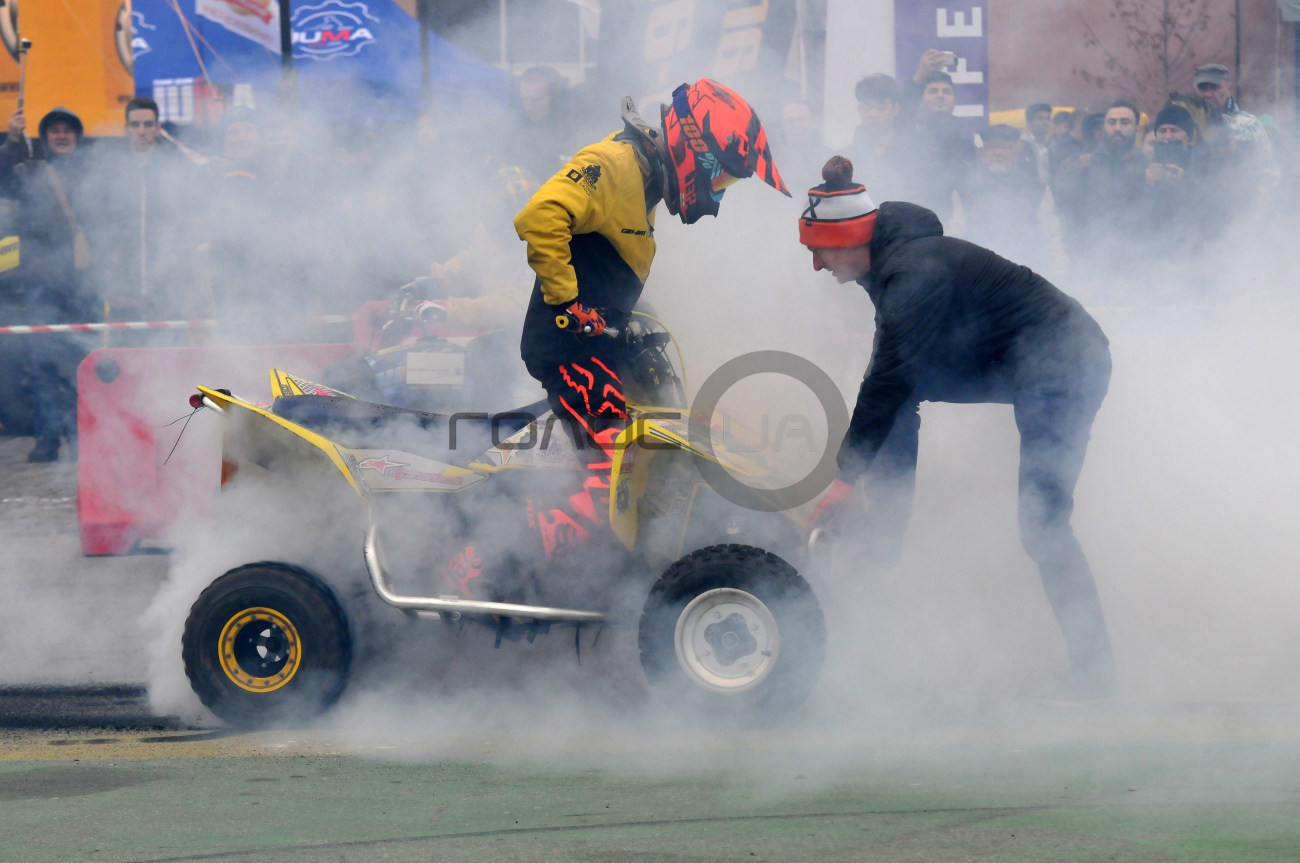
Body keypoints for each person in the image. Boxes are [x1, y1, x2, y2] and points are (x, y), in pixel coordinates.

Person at [801, 155, 1116, 699]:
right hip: (1013, 362)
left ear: (850, 239)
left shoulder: (914, 274)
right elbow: (894, 381)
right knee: (898, 398)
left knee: (1042, 525)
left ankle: (1096, 670)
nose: (817, 267)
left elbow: (889, 374)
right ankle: (884, 541)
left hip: (1066, 363)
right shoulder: (884, 256)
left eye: (818, 252)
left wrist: (846, 478)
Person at [513, 77, 789, 558]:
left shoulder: (641, 174)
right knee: (618, 468)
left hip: (598, 348)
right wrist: (568, 302)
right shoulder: (612, 162)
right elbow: (539, 215)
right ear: (692, 146)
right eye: (720, 178)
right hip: (568, 348)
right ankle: (527, 565)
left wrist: (634, 312)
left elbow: (602, 252)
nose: (717, 194)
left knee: (658, 443)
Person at [12, 108, 99, 461]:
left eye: (67, 130)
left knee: (83, 361)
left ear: (77, 136)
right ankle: (48, 438)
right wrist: (13, 140)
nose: (61, 136)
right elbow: (4, 176)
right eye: (54, 131)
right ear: (45, 137)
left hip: (84, 283)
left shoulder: (95, 174)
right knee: (42, 363)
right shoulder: (30, 170)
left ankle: (82, 439)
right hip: (41, 282)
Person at [90, 97, 201, 340]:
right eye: (135, 125)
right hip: (123, 289)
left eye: (148, 124)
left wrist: (180, 259)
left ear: (158, 127)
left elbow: (190, 220)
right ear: (126, 129)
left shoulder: (177, 167)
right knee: (127, 361)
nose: (142, 131)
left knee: (169, 357)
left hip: (166, 287)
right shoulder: (110, 170)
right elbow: (98, 225)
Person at [845, 74, 911, 204]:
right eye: (867, 108)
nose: (873, 114)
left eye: (881, 108)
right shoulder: (846, 160)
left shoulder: (913, 155)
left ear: (895, 109)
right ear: (859, 110)